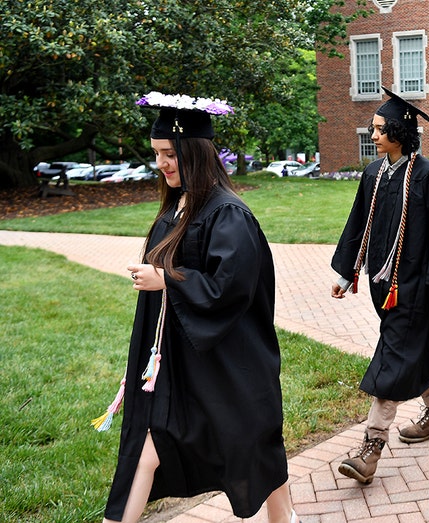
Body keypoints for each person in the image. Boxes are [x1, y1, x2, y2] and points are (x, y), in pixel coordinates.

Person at [98, 92, 298, 523]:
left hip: (227, 367)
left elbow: (231, 288)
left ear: (196, 153)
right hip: (178, 365)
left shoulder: (228, 215)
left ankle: (286, 519)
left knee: (255, 445)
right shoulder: (178, 207)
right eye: (157, 155)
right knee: (146, 449)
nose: (163, 164)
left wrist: (166, 280)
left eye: (170, 154)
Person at [330, 87, 429, 484]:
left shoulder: (428, 176)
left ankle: (371, 448)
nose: (372, 136)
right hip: (382, 284)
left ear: (400, 131)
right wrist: (345, 273)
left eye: (378, 129)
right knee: (408, 349)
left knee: (391, 357)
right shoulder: (373, 174)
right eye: (372, 129)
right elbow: (358, 225)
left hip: (419, 289)